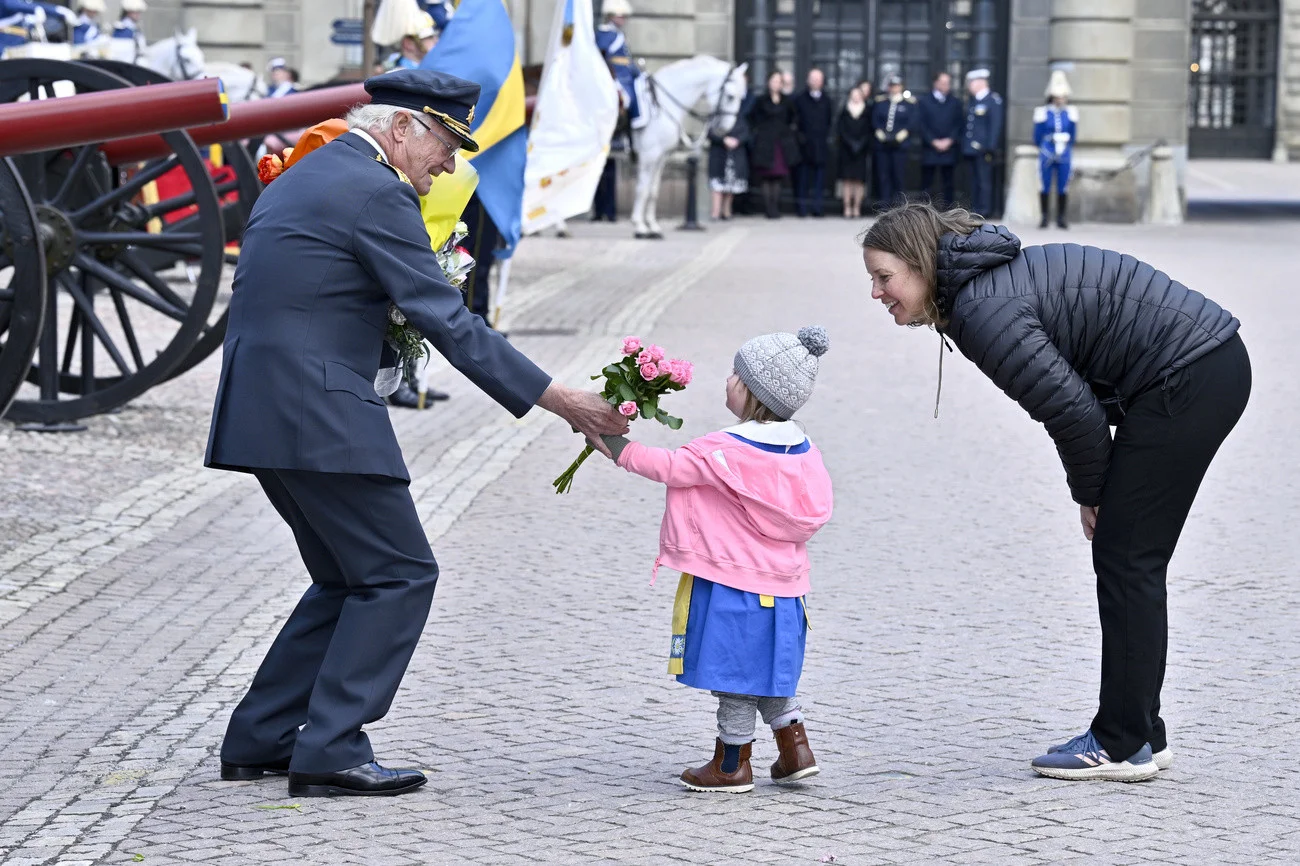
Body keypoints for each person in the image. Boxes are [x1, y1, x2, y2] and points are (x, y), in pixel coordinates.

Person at [205, 69, 629, 797]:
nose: (450, 163)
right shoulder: (377, 190)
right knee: (400, 573)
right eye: (444, 143)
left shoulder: (309, 174)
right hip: (320, 412)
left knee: (347, 577)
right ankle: (331, 747)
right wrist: (564, 400)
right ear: (401, 128)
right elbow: (449, 320)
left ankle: (262, 737)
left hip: (263, 405)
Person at [860, 201, 1250, 782]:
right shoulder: (985, 289)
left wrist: (1093, 495)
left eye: (883, 277)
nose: (876, 293)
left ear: (919, 264)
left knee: (1125, 557)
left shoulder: (983, 312)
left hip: (1186, 377)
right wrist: (1104, 492)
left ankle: (1120, 744)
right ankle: (1142, 729)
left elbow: (1073, 414)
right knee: (1130, 557)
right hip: (1201, 367)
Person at [598, 327, 834, 793]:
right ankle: (794, 749)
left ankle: (730, 766)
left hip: (732, 588)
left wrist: (612, 444)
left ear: (750, 391)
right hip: (786, 593)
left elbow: (666, 466)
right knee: (765, 670)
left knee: (735, 680)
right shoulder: (804, 453)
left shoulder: (722, 450)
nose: (728, 379)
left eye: (735, 373)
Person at [747, 70, 800, 219]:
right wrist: (758, 132)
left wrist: (789, 132)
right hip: (765, 142)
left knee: (777, 176)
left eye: (778, 81)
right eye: (773, 81)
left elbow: (793, 118)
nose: (776, 84)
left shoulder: (787, 101)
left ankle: (775, 207)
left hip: (781, 142)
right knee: (766, 176)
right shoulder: (761, 100)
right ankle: (768, 208)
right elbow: (752, 118)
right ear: (769, 83)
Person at [1034, 69, 1077, 229]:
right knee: (1044, 184)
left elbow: (1073, 135)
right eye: (1058, 97)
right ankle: (1044, 217)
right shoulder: (1042, 112)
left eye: (1063, 97)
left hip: (1064, 152)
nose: (1061, 100)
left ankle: (1061, 217)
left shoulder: (1071, 113)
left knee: (1063, 184)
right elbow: (1037, 136)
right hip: (1047, 151)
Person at [961, 68, 1003, 217]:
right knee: (973, 181)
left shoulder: (993, 100)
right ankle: (976, 207)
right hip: (971, 149)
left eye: (971, 83)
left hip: (983, 150)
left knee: (984, 181)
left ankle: (985, 209)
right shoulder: (973, 101)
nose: (969, 86)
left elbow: (995, 125)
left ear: (979, 83)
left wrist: (990, 147)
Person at [917, 71, 962, 207]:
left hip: (949, 148)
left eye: (948, 83)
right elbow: (921, 124)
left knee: (948, 183)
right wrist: (932, 141)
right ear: (935, 83)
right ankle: (925, 212)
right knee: (927, 183)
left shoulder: (955, 102)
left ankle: (948, 212)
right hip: (929, 148)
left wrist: (950, 140)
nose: (946, 86)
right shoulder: (924, 101)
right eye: (943, 83)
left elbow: (959, 124)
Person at [792, 68, 832, 218]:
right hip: (804, 146)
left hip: (820, 145)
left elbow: (829, 121)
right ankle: (801, 208)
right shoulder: (800, 99)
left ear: (822, 81)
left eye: (818, 79)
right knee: (802, 179)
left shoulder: (827, 100)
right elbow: (795, 121)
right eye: (812, 78)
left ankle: (818, 208)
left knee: (819, 180)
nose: (815, 81)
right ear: (808, 80)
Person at [871, 75, 915, 207]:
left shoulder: (908, 104)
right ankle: (884, 206)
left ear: (901, 87)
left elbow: (912, 122)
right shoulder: (881, 102)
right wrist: (880, 134)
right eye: (892, 86)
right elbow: (875, 120)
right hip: (883, 145)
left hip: (900, 146)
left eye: (897, 86)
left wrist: (900, 136)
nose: (894, 88)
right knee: (883, 176)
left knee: (898, 176)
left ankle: (899, 206)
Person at [707, 101, 750, 221]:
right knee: (717, 185)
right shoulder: (716, 117)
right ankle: (715, 212)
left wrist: (737, 141)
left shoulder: (739, 116)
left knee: (731, 186)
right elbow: (710, 132)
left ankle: (726, 211)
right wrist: (724, 140)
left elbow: (746, 132)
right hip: (719, 154)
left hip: (735, 155)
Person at [835, 85, 872, 218]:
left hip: (861, 151)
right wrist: (850, 143)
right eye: (853, 94)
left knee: (859, 180)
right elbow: (840, 129)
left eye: (858, 94)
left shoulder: (867, 111)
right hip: (846, 150)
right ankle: (847, 207)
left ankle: (857, 207)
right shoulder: (844, 110)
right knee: (847, 180)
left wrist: (861, 144)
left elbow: (869, 130)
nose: (856, 97)